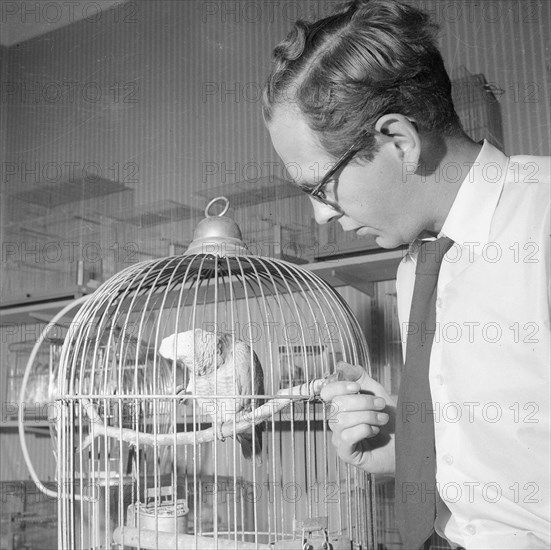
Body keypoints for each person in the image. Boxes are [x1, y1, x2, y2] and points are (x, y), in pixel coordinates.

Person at [262, 0, 550, 549]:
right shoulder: (419, 268)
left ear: (399, 141)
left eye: (320, 187)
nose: (321, 215)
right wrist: (409, 442)